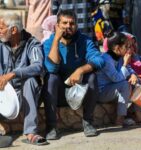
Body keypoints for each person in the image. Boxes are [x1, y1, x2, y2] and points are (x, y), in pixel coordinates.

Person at [43, 9, 105, 139]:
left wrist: (80, 70)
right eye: (64, 23)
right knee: (51, 78)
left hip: (80, 91)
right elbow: (51, 68)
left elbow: (99, 60)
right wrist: (56, 40)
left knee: (92, 76)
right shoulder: (49, 43)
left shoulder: (84, 41)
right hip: (59, 92)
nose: (68, 27)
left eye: (71, 23)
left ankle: (88, 122)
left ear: (76, 25)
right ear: (57, 26)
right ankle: (51, 126)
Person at [0, 13, 48, 146]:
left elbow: (38, 66)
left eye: (1, 28)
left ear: (13, 30)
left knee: (30, 81)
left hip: (25, 94)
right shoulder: (1, 44)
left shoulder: (32, 43)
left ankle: (31, 132)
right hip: (4, 93)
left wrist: (14, 74)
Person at [96, 32, 141, 126]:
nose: (128, 49)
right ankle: (120, 119)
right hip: (102, 93)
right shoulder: (106, 59)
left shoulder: (119, 57)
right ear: (117, 48)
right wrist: (124, 64)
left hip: (114, 88)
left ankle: (139, 115)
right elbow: (116, 78)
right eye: (126, 47)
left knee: (137, 82)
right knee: (125, 85)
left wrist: (133, 75)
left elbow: (129, 70)